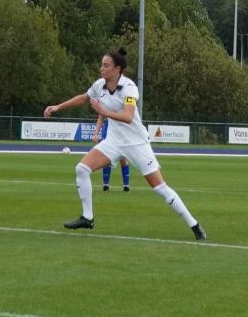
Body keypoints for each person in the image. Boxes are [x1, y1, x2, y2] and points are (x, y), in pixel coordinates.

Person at [43, 48, 206, 240]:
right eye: (102, 65)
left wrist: (103, 111)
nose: (101, 68)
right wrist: (58, 107)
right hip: (113, 142)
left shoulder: (129, 87)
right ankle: (87, 218)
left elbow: (128, 117)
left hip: (137, 144)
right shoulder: (99, 85)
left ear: (117, 69)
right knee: (82, 169)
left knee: (160, 187)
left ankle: (194, 225)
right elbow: (84, 98)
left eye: (106, 65)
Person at [93, 115, 130, 192]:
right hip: (108, 133)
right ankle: (105, 185)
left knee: (123, 159)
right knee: (107, 159)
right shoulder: (105, 108)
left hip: (122, 132)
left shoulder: (123, 108)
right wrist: (96, 134)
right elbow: (100, 118)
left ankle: (126, 186)